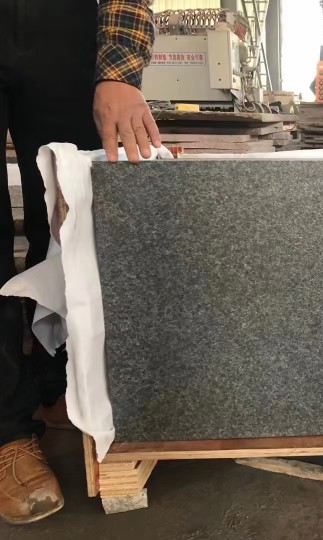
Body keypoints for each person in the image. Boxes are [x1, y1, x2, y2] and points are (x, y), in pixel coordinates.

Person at [0, 0, 160, 524]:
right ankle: (7, 432)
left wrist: (119, 71)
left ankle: (58, 384)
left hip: (62, 21)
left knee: (69, 217)